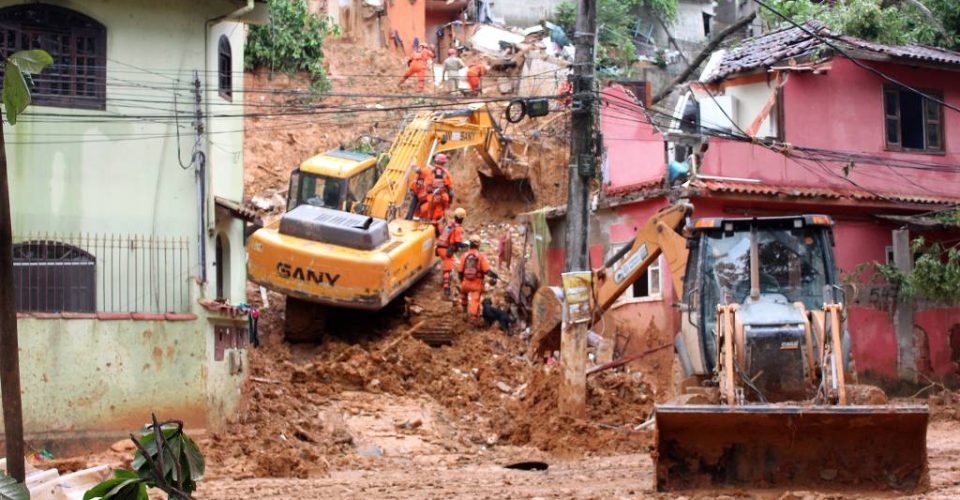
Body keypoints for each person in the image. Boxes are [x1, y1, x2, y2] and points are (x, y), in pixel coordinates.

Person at [458, 234, 497, 321]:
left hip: (465, 282)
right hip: (476, 284)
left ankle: (464, 313)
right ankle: (473, 319)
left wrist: (462, 281)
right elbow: (487, 271)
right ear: (478, 245)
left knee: (464, 296)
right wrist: (494, 275)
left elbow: (460, 271)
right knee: (475, 301)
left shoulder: (464, 256)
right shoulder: (480, 256)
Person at [436, 208, 467, 297]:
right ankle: (446, 288)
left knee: (445, 264)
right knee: (448, 269)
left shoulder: (450, 223)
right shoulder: (458, 228)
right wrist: (464, 245)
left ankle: (440, 280)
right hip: (446, 249)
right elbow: (457, 242)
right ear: (462, 218)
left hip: (439, 248)